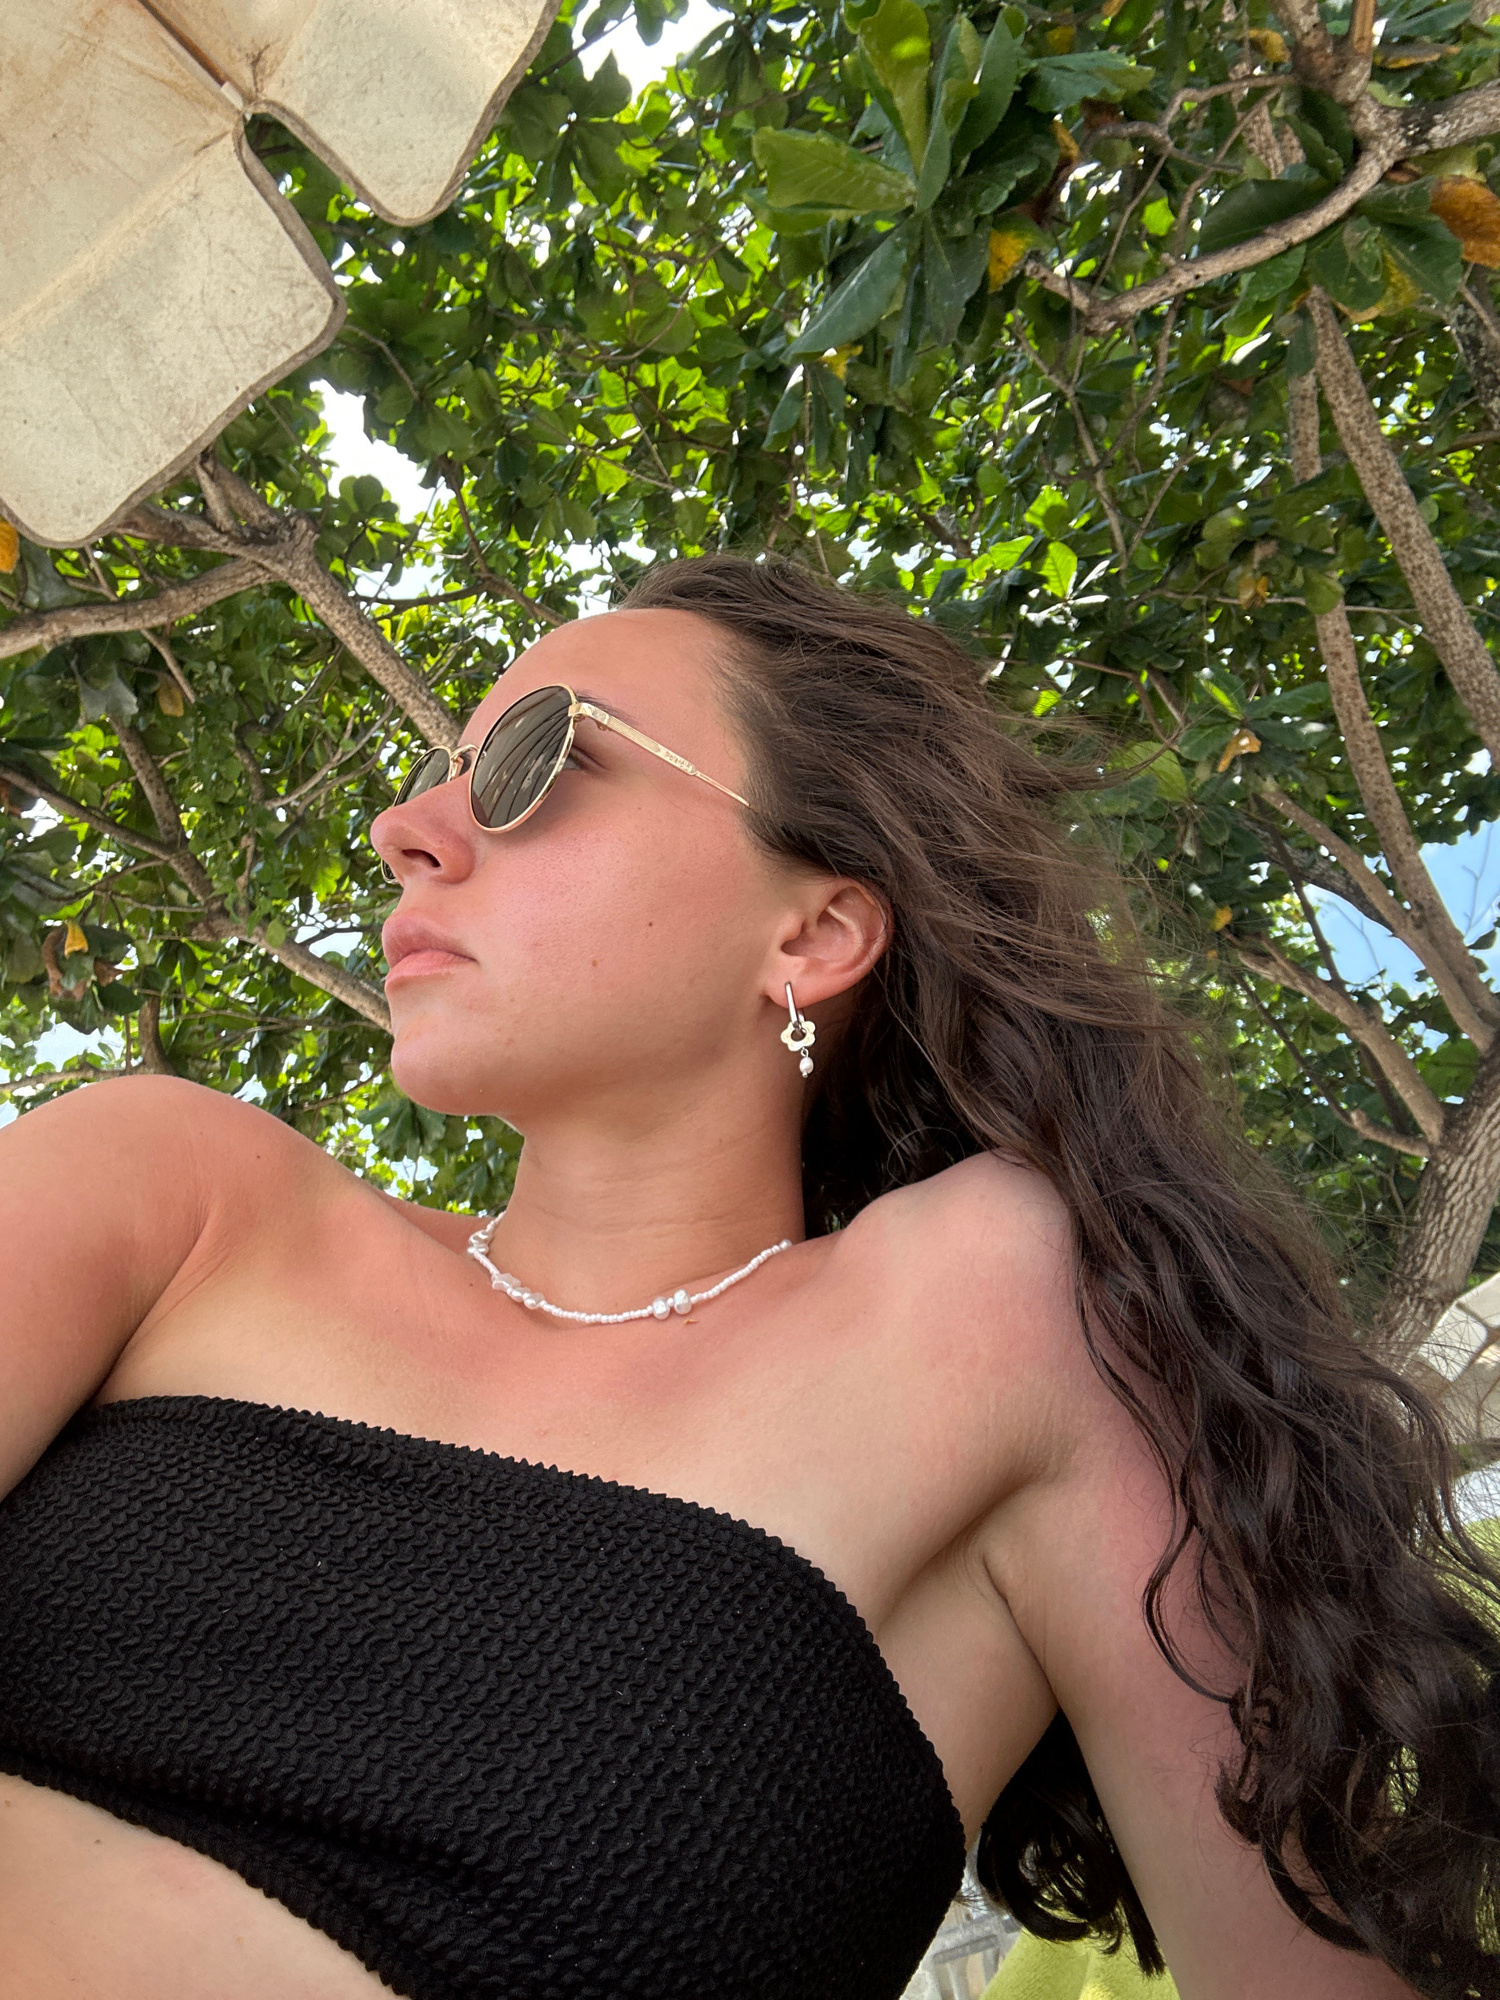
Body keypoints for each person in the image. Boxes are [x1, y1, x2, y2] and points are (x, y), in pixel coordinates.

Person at [0, 554, 1493, 2000]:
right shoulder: (177, 1186)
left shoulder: (984, 1311)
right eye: (441, 770)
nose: (406, 828)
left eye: (535, 761)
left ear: (814, 931)